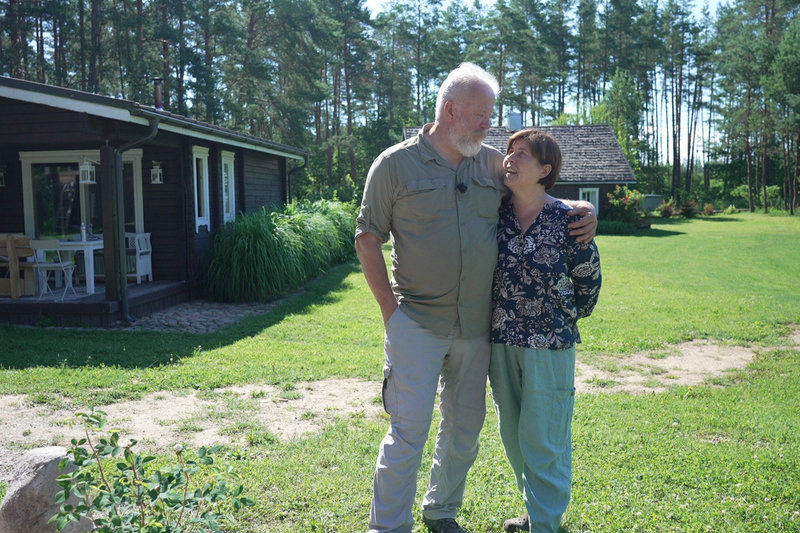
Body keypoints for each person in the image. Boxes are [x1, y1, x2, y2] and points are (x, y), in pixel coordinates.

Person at [355, 63, 596, 533]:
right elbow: (367, 237)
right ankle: (387, 529)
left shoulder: (490, 164)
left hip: (477, 329)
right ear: (450, 110)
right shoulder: (394, 164)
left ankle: (441, 511)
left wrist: (582, 209)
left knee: (464, 433)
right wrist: (391, 313)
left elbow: (536, 198)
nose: (491, 126)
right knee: (408, 434)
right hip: (417, 324)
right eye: (482, 116)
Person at [488, 129, 602, 533]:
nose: (510, 159)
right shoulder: (494, 213)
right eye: (509, 152)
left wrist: (560, 317)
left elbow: (588, 283)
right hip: (501, 342)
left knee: (545, 438)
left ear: (545, 169)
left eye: (522, 154)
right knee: (515, 436)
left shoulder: (569, 219)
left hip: (550, 344)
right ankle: (534, 513)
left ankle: (546, 525)